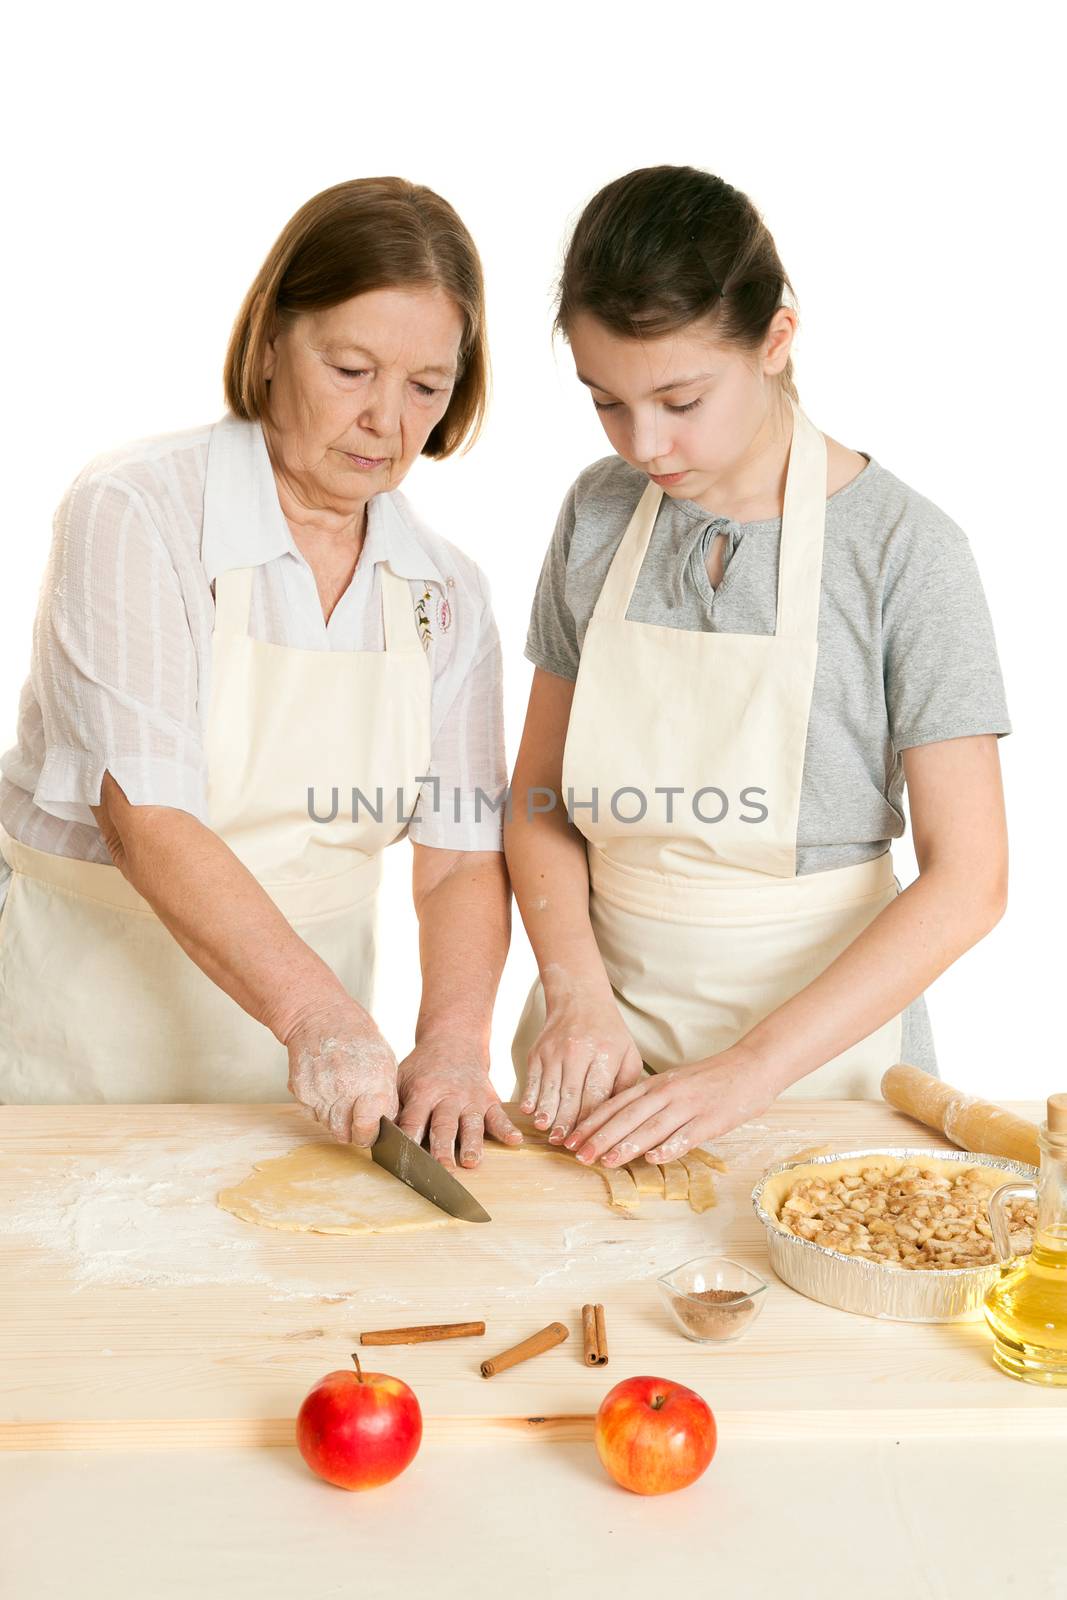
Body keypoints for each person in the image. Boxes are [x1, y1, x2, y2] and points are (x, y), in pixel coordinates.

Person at [0, 176, 521, 1168]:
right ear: (273, 340)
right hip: (90, 1036)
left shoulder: (446, 590)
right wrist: (316, 1015)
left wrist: (452, 1041)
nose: (385, 420)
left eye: (426, 386)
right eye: (352, 368)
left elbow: (456, 856)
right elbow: (146, 815)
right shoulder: (137, 511)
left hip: (321, 1089)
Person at [505, 165, 1010, 1172]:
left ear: (775, 341)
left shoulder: (902, 551)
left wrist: (747, 1069)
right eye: (605, 402)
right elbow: (536, 797)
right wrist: (575, 996)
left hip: (823, 1072)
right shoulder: (597, 515)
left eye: (679, 398)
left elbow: (970, 880)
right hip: (599, 1066)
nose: (644, 443)